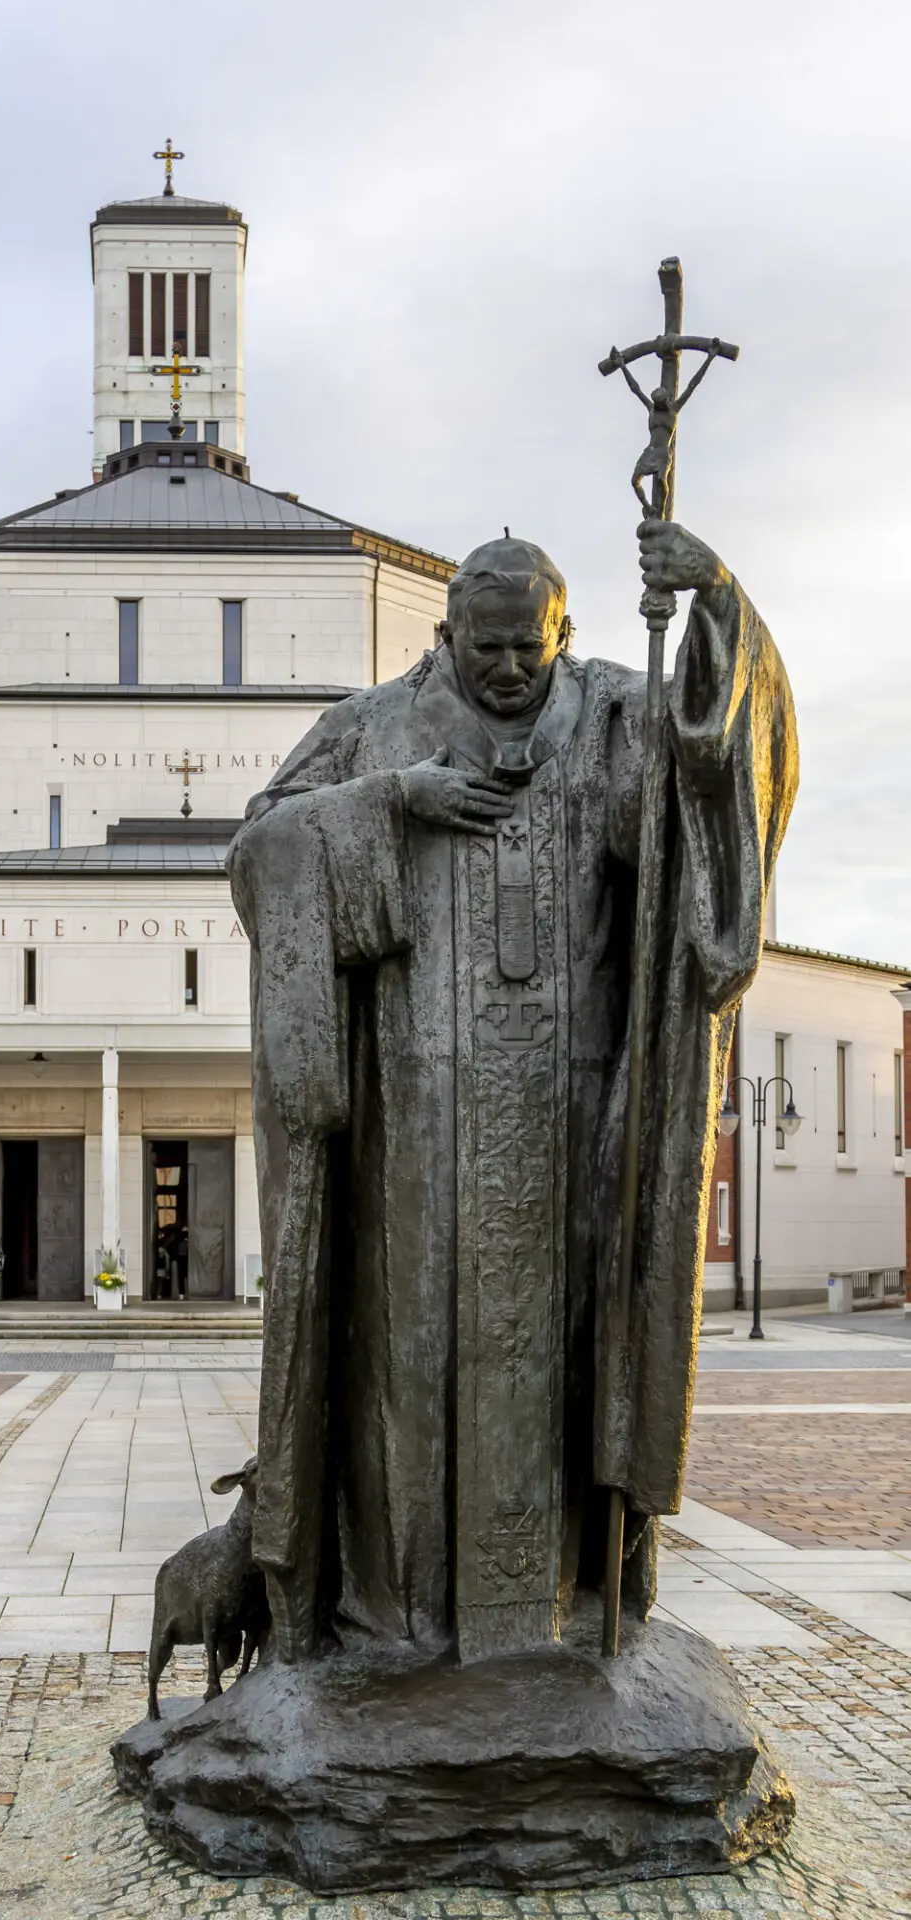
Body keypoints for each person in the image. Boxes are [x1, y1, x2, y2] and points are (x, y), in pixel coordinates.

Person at [227, 518, 797, 1662]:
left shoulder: (616, 717)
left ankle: (564, 1614)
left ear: (564, 632)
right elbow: (259, 856)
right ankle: (398, 1625)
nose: (502, 669)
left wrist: (720, 608)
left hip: (576, 1136)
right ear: (443, 633)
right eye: (481, 647)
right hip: (411, 1145)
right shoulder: (370, 730)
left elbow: (720, 781)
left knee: (571, 1365)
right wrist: (388, 803)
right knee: (405, 1371)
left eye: (524, 651)